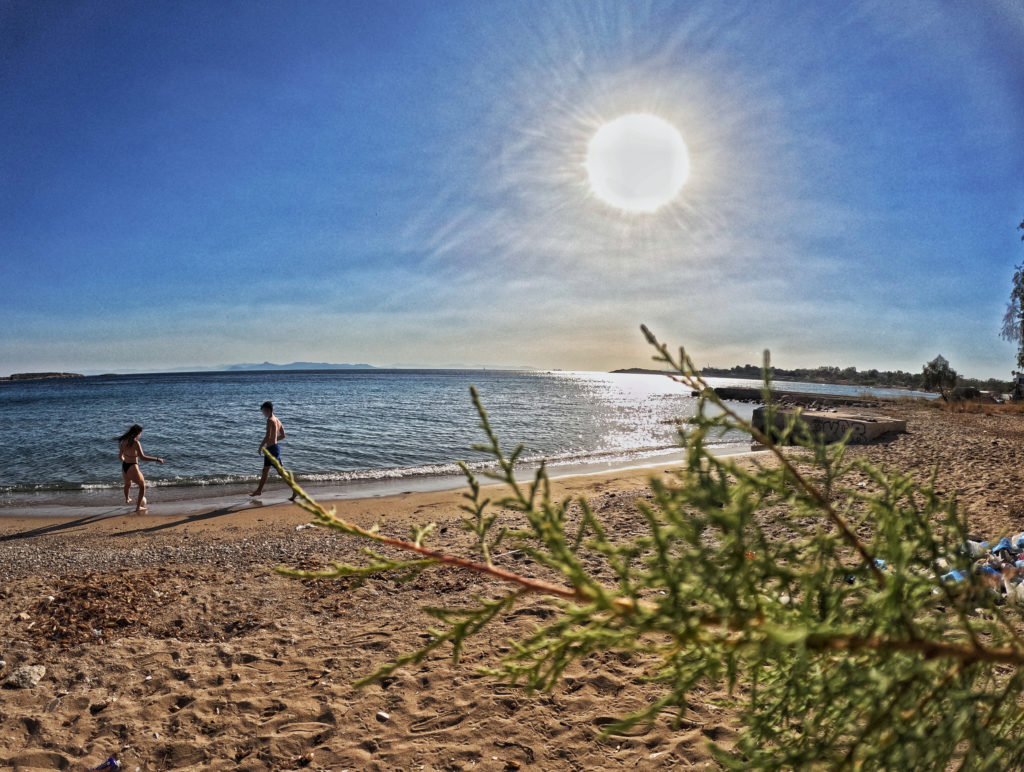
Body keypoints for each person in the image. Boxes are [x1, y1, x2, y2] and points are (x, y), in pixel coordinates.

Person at [114, 424, 164, 512]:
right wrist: (157, 459)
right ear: (137, 433)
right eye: (140, 433)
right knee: (142, 486)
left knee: (127, 484)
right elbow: (143, 457)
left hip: (125, 466)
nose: (140, 435)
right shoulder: (136, 443)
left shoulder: (123, 442)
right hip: (133, 467)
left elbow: (120, 456)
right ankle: (138, 507)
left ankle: (127, 498)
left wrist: (126, 460)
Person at [250, 401, 288, 498]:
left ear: (268, 410)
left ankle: (295, 489)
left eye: (263, 411)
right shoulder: (277, 420)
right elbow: (283, 435)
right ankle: (259, 490)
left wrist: (260, 446)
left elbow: (267, 436)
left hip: (272, 450)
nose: (263, 413)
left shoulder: (270, 420)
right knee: (265, 471)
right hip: (272, 448)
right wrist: (274, 440)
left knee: (281, 472)